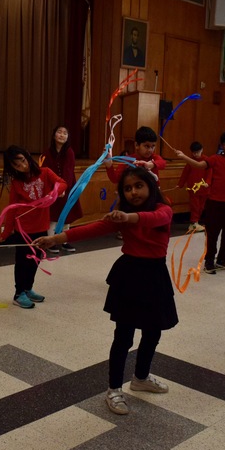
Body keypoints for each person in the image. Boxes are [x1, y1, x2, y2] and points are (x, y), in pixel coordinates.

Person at [34, 167, 176, 415]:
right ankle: (113, 389)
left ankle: (141, 378)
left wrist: (127, 218)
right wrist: (54, 239)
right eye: (128, 188)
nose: (133, 192)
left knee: (152, 332)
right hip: (129, 276)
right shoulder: (120, 215)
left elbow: (153, 219)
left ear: (151, 187)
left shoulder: (163, 209)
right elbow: (92, 229)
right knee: (124, 336)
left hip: (155, 277)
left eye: (138, 186)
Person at [0, 145, 67, 309]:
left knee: (36, 259)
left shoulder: (45, 172)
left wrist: (54, 193)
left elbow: (62, 183)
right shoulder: (16, 183)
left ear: (27, 156)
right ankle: (18, 293)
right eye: (16, 165)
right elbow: (12, 208)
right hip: (23, 229)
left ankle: (28, 288)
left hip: (41, 226)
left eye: (22, 160)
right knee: (22, 261)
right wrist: (6, 232)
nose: (22, 166)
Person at [176, 131, 225, 274]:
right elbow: (199, 165)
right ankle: (209, 261)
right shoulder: (214, 159)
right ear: (221, 145)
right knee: (212, 234)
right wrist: (184, 157)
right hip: (215, 203)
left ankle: (223, 259)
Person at [42, 125, 82, 255]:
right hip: (52, 188)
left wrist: (63, 187)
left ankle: (64, 240)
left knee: (66, 214)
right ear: (54, 135)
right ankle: (50, 241)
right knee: (53, 215)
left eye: (65, 133)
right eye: (59, 132)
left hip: (68, 187)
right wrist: (54, 188)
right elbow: (45, 172)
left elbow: (68, 171)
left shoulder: (69, 152)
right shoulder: (47, 153)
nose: (62, 135)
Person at [175, 140, 210, 233]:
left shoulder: (206, 160)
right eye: (194, 153)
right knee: (195, 206)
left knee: (201, 207)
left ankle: (195, 223)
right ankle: (194, 222)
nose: (195, 155)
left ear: (202, 150)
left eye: (197, 152)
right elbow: (185, 174)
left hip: (204, 189)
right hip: (193, 189)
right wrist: (180, 184)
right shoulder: (190, 161)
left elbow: (210, 173)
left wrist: (208, 182)